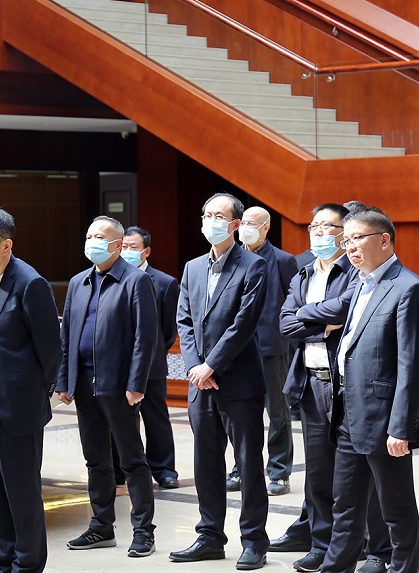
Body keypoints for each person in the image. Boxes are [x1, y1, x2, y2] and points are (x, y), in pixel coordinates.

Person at [276, 203, 392, 573]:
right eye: (314, 226)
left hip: (347, 386)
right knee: (319, 472)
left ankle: (378, 548)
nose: (319, 233)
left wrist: (307, 317)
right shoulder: (304, 272)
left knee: (362, 470)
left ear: (345, 233)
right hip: (311, 383)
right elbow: (285, 324)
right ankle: (323, 545)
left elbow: (344, 310)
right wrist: (320, 323)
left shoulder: (356, 270)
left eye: (328, 226)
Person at [320, 207, 419, 573]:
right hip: (348, 412)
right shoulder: (359, 284)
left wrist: (401, 427)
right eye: (346, 240)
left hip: (385, 420)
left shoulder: (409, 288)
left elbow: (412, 367)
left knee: (396, 509)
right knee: (345, 505)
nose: (350, 247)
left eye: (357, 238)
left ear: (384, 240)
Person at [169, 193, 269, 571]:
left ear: (235, 225)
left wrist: (211, 365)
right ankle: (209, 536)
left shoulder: (254, 266)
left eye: (218, 216)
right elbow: (184, 320)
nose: (210, 221)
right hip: (200, 384)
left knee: (248, 464)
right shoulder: (193, 267)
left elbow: (244, 324)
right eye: (206, 214)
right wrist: (196, 367)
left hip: (239, 383)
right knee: (206, 462)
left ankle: (254, 541)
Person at [0, 208, 62, 573]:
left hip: (15, 406)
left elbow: (50, 350)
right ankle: (0, 559)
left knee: (21, 491)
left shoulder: (30, 283)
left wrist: (34, 395)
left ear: (6, 245)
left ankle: (28, 564)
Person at [58, 216, 157, 557]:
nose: (92, 243)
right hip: (84, 385)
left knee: (131, 460)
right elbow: (67, 335)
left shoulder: (135, 281)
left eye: (99, 237)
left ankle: (143, 531)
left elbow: (145, 337)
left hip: (118, 386)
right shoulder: (79, 282)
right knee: (95, 459)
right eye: (89, 236)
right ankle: (101, 526)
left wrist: (136, 383)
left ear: (117, 245)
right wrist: (65, 380)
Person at [227, 206, 297, 497]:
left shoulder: (282, 260)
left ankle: (279, 472)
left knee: (277, 412)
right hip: (236, 348)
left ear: (266, 227)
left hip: (271, 346)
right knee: (239, 413)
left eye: (253, 223)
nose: (246, 228)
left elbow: (292, 302)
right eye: (244, 222)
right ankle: (240, 468)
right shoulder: (232, 257)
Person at [117, 225, 179, 490]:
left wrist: (150, 352)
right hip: (118, 363)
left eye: (133, 247)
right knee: (120, 418)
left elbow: (168, 330)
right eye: (124, 247)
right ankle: (123, 468)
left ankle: (164, 469)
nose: (127, 251)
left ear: (147, 251)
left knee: (156, 417)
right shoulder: (113, 277)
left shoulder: (164, 282)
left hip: (151, 363)